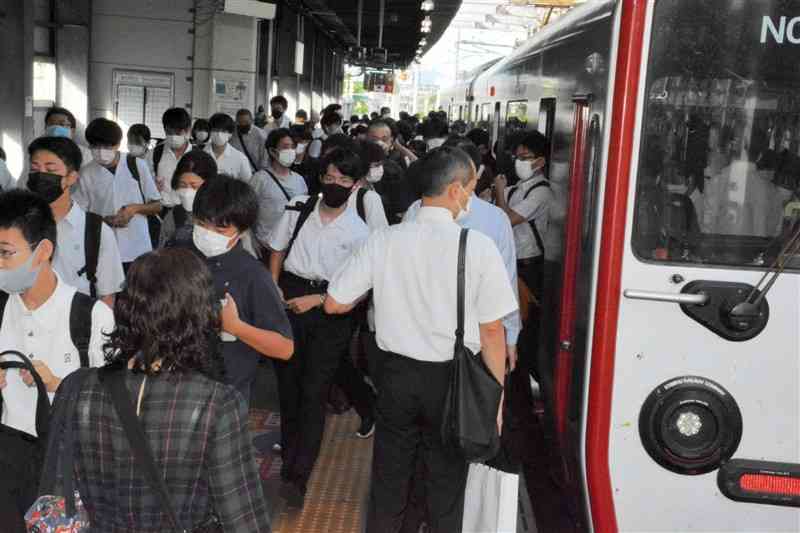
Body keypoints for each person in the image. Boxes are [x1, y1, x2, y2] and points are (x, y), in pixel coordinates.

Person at [324, 146, 517, 533]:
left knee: (390, 475)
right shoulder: (476, 246)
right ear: (456, 190)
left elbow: (334, 303)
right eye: (472, 188)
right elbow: (492, 331)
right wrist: (494, 398)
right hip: (453, 380)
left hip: (395, 375)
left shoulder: (385, 240)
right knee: (445, 480)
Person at [43, 248, 271, 532]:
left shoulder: (76, 388)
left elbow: (56, 491)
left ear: (125, 308)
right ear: (200, 317)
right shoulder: (216, 404)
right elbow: (242, 518)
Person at [0, 189, 114, 530]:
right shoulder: (2, 309)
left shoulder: (91, 318)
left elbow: (115, 407)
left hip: (69, 465)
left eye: (5, 254)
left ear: (43, 251)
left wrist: (60, 385)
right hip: (6, 460)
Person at [268, 148, 370, 507]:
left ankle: (297, 477)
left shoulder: (359, 231)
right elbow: (277, 251)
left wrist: (318, 300)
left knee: (314, 390)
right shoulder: (298, 208)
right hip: (290, 298)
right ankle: (290, 452)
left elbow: (356, 288)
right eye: (329, 177)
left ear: (356, 185)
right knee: (288, 386)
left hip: (331, 310)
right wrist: (274, 289)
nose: (335, 185)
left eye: (344, 180)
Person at [191, 176, 294, 401]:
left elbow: (284, 348)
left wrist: (236, 327)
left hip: (226, 397)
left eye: (220, 228)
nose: (208, 233)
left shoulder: (252, 275)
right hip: (179, 389)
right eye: (200, 223)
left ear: (242, 230)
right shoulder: (181, 259)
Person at [27, 136, 124, 306]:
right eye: (35, 170)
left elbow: (107, 297)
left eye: (50, 170)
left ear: (72, 177)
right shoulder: (16, 225)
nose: (40, 176)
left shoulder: (96, 231)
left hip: (75, 326)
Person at [75, 118, 162, 273]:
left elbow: (157, 205)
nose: (101, 151)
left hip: (137, 249)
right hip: (103, 248)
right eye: (96, 146)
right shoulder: (86, 173)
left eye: (107, 146)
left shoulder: (136, 165)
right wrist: (102, 220)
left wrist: (134, 209)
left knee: (138, 292)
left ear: (117, 144)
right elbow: (79, 212)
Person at [250, 128, 308, 255]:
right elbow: (247, 211)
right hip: (266, 247)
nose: (291, 151)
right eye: (286, 147)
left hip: (291, 248)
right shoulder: (260, 179)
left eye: (293, 147)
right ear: (272, 151)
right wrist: (252, 242)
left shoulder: (300, 180)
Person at [162, 149, 218, 248]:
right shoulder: (173, 217)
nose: (187, 192)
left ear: (210, 186)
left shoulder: (224, 215)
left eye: (194, 186)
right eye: (183, 185)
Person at [147, 107, 194, 208]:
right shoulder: (154, 154)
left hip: (189, 212)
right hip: (160, 210)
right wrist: (151, 187)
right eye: (169, 132)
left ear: (187, 130)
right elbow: (145, 182)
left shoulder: (197, 156)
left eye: (177, 133)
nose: (173, 137)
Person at [204, 113, 252, 182]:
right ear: (210, 132)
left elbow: (247, 185)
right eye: (215, 130)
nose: (219, 134)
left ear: (230, 134)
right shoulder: (200, 154)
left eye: (223, 131)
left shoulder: (240, 158)